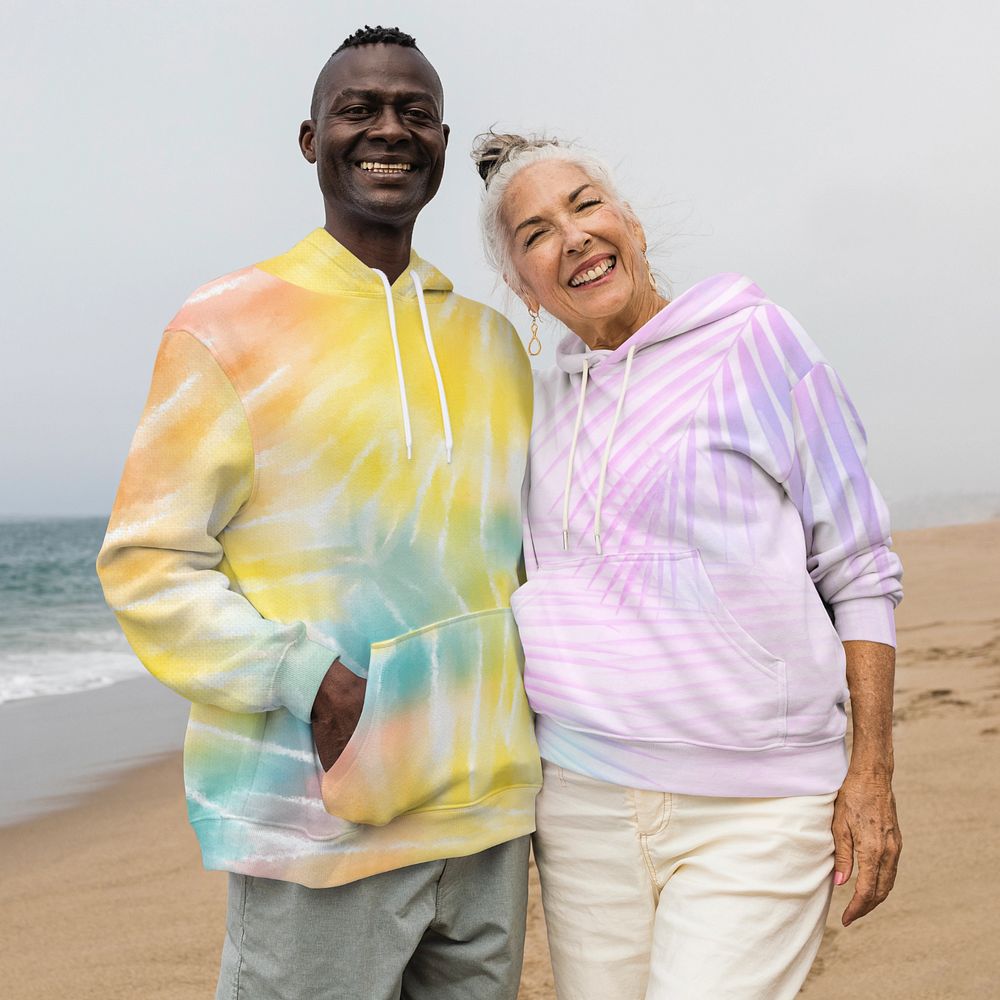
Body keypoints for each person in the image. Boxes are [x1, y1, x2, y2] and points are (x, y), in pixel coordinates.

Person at [97, 28, 541, 1000]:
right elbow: (146, 561)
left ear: (441, 139)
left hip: (487, 814)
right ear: (311, 139)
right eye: (360, 108)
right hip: (311, 822)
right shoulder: (223, 325)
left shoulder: (495, 343)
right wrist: (307, 676)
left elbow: (519, 563)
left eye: (413, 112)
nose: (389, 129)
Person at [471, 133, 903, 1000]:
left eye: (587, 204)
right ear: (524, 287)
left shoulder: (757, 341)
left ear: (628, 220)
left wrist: (872, 773)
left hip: (758, 801)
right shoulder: (535, 401)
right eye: (536, 233)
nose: (574, 237)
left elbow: (859, 566)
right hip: (585, 800)